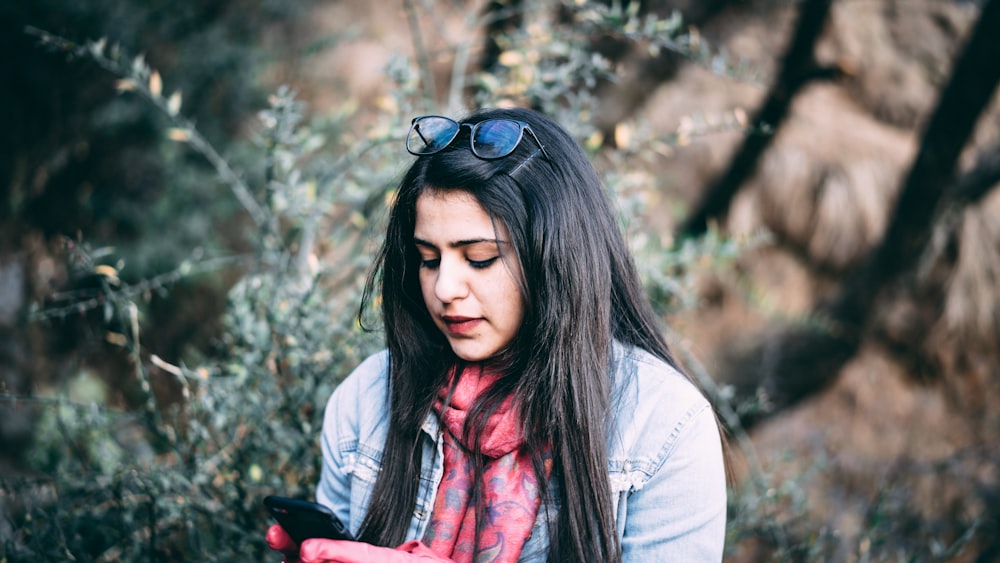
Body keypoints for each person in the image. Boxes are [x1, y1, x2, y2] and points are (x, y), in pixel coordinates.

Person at [266, 107, 727, 562]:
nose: (445, 288)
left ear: (553, 258)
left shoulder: (665, 427)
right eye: (429, 259)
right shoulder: (365, 401)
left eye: (480, 258)